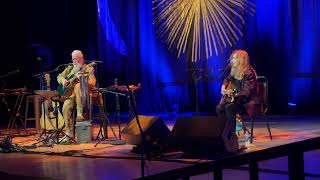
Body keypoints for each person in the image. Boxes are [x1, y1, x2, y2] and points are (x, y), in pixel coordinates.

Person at [57, 50, 96, 140]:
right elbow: (59, 76)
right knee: (65, 107)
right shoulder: (70, 68)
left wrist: (82, 78)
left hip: (83, 95)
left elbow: (93, 82)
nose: (74, 61)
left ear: (81, 59)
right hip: (70, 94)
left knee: (78, 86)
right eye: (73, 59)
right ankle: (68, 133)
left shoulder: (88, 68)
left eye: (76, 59)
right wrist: (63, 80)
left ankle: (79, 112)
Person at [216, 49, 257, 134]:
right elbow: (226, 80)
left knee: (229, 107)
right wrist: (223, 89)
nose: (232, 60)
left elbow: (246, 92)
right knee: (219, 108)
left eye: (234, 58)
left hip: (247, 103)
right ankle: (225, 131)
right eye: (232, 58)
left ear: (241, 60)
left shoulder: (249, 73)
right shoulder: (234, 72)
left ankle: (232, 134)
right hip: (237, 101)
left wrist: (233, 94)